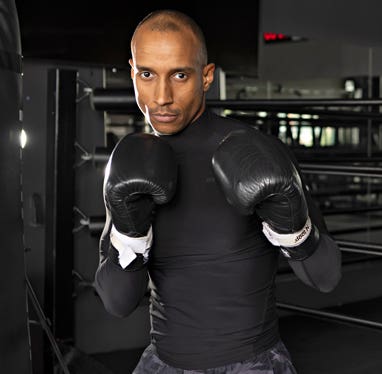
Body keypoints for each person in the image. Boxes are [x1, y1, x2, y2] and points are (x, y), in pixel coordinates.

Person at [94, 9, 342, 374]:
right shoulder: (131, 164)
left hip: (253, 365)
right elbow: (117, 302)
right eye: (147, 75)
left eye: (180, 75)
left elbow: (326, 277)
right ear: (133, 72)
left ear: (206, 76)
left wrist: (293, 229)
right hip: (163, 362)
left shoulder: (253, 152)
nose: (162, 96)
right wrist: (130, 236)